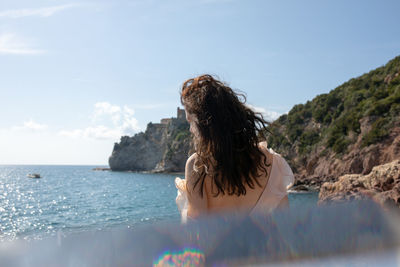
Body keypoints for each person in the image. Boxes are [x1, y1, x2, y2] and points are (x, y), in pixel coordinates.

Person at [175, 75, 294, 222]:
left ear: (204, 124)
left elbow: (197, 234)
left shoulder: (197, 167)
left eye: (190, 122)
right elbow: (287, 224)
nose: (190, 130)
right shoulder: (271, 161)